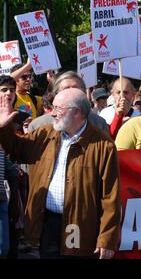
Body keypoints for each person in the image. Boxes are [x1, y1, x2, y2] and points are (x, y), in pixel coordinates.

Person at [0, 88, 121, 258]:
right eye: (53, 108)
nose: (53, 114)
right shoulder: (45, 134)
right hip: (47, 222)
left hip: (78, 225)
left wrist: (107, 239)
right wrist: (4, 128)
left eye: (58, 109)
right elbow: (15, 150)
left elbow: (111, 196)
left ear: (77, 112)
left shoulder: (103, 145)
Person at [27, 71, 109, 135]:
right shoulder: (38, 126)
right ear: (56, 95)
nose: (71, 93)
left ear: (84, 93)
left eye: (75, 88)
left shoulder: (99, 123)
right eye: (66, 89)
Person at [0, 75, 20, 258]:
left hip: (2, 195)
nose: (8, 93)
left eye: (11, 90)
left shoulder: (15, 116)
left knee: (4, 249)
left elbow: (6, 156)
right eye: (3, 89)